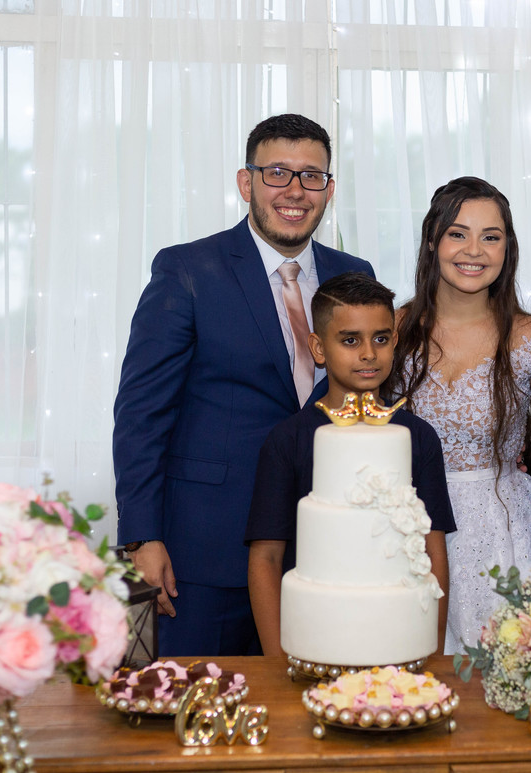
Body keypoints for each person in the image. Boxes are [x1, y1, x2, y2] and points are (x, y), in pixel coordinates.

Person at [113, 114, 374, 657]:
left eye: (311, 176)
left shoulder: (354, 274)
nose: (295, 190)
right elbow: (141, 414)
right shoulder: (187, 269)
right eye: (277, 172)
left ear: (329, 190)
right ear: (245, 181)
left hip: (326, 553)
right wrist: (142, 537)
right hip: (206, 552)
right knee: (198, 702)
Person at [384, 177, 531, 655]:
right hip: (406, 528)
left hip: (504, 531)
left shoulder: (530, 336)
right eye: (458, 234)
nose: (474, 251)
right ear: (432, 241)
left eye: (491, 236)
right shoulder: (394, 329)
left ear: (508, 247)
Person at [245, 271, 455, 656]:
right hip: (312, 638)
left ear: (395, 341)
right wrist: (277, 661)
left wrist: (433, 649)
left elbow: (433, 551)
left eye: (381, 338)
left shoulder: (418, 437)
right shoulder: (287, 440)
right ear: (318, 348)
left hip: (399, 637)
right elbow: (266, 558)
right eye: (350, 340)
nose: (368, 354)